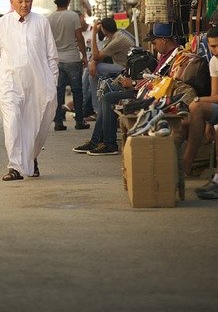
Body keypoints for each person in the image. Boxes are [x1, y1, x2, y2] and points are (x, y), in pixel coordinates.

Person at [0, 0, 58, 181]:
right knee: (12, 121)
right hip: (10, 82)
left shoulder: (41, 22)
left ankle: (32, 157)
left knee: (39, 123)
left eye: (27, 1)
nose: (24, 5)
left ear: (32, 0)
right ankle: (14, 166)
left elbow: (52, 55)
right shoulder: (2, 24)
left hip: (38, 82)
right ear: (12, 3)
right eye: (20, 1)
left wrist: (52, 82)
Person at [74, 22, 181, 156]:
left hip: (152, 96)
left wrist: (134, 83)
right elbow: (156, 78)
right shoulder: (165, 55)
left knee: (108, 97)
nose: (154, 46)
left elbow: (163, 83)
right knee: (107, 94)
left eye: (154, 42)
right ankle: (98, 140)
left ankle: (108, 143)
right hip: (145, 90)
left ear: (164, 40)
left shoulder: (175, 56)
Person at [183, 26, 218, 199]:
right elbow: (215, 96)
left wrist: (197, 100)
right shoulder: (214, 62)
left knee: (196, 104)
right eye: (212, 46)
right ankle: (186, 165)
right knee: (195, 109)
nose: (215, 50)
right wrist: (209, 122)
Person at [47, 0, 89, 131]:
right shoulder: (73, 16)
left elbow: (47, 41)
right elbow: (79, 37)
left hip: (56, 60)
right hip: (72, 59)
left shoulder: (49, 18)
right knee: (77, 90)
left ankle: (58, 122)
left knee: (58, 91)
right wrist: (84, 55)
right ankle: (79, 121)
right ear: (69, 2)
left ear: (55, 2)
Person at [88, 17, 135, 113]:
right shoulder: (115, 36)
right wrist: (92, 62)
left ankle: (96, 109)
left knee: (93, 71)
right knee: (90, 71)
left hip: (124, 69)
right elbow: (98, 56)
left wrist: (94, 33)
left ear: (104, 30)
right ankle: (92, 108)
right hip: (120, 66)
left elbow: (96, 56)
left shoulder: (118, 39)